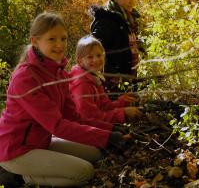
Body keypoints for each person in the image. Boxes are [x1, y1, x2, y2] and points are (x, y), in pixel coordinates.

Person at [0, 12, 125, 187]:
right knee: (84, 172)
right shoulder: (26, 78)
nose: (60, 45)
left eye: (63, 38)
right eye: (52, 39)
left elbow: (73, 116)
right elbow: (57, 126)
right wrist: (107, 136)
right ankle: (24, 178)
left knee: (95, 153)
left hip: (41, 141)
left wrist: (110, 130)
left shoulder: (59, 72)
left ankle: (36, 170)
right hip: (16, 149)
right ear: (35, 41)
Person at [69, 35, 142, 125]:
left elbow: (104, 106)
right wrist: (123, 113)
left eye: (99, 55)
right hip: (79, 132)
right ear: (80, 61)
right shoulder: (82, 84)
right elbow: (89, 118)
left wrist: (123, 101)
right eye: (90, 57)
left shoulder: (93, 77)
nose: (96, 60)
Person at [90, 0, 144, 91]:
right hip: (114, 83)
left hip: (129, 77)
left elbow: (123, 41)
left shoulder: (129, 20)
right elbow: (96, 50)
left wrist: (138, 45)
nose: (132, 1)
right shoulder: (106, 20)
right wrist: (113, 75)